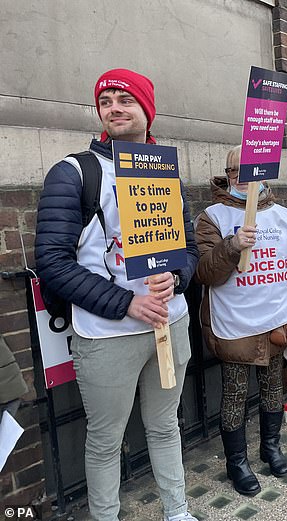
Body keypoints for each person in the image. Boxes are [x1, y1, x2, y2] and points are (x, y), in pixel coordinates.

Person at [35, 69, 199, 521]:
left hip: (170, 323)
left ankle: (177, 510)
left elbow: (187, 248)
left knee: (166, 426)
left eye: (125, 98)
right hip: (107, 335)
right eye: (106, 100)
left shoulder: (164, 170)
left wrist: (178, 278)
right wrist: (126, 302)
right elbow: (52, 261)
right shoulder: (73, 172)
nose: (114, 107)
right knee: (106, 441)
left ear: (148, 110)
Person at [195, 145, 287, 496]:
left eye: (252, 173)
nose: (244, 180)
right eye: (236, 173)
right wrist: (232, 246)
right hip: (235, 325)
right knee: (233, 395)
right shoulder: (212, 217)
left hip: (277, 322)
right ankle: (237, 462)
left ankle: (271, 446)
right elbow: (204, 273)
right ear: (227, 176)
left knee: (273, 388)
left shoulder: (282, 216)